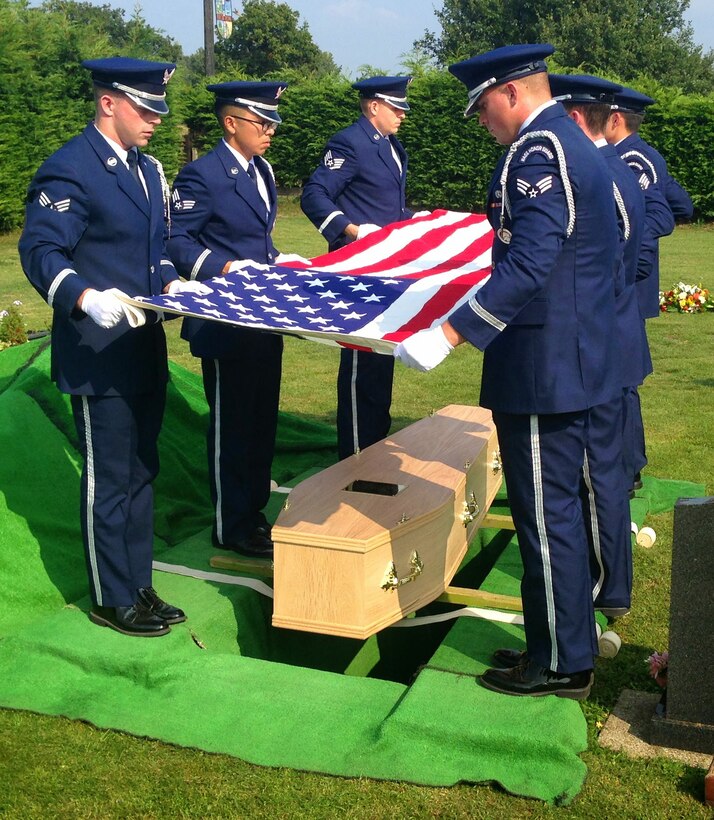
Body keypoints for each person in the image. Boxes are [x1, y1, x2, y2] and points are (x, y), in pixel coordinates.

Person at [395, 45, 623, 699]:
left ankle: (559, 664)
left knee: (545, 518)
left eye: (484, 106)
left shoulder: (538, 151)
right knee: (561, 515)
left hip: (543, 368)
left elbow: (531, 263)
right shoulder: (571, 142)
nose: (480, 120)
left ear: (514, 92)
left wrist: (449, 333)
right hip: (570, 360)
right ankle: (561, 642)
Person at [19, 57, 202, 637]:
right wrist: (82, 297)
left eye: (157, 109)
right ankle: (108, 595)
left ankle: (137, 584)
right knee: (109, 477)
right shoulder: (70, 168)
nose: (154, 120)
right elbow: (42, 250)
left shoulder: (147, 169)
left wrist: (171, 279)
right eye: (144, 108)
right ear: (108, 103)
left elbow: (153, 247)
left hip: (142, 345)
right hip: (97, 350)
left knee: (142, 469)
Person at [167, 81, 303, 559]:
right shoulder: (202, 175)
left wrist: (277, 257)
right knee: (232, 426)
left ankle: (254, 515)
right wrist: (224, 267)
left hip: (261, 316)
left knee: (261, 420)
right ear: (231, 122)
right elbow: (177, 243)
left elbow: (255, 239)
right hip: (223, 320)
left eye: (272, 123)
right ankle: (230, 524)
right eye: (261, 122)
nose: (270, 131)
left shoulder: (260, 169)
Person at [548, 73, 658, 620]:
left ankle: (605, 586)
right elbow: (634, 265)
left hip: (596, 348)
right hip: (614, 338)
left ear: (572, 118)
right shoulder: (616, 169)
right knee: (605, 473)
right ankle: (612, 584)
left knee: (593, 477)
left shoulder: (591, 174)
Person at [301, 76, 414, 460]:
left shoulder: (390, 145)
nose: (402, 115)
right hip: (359, 274)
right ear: (374, 106)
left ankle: (375, 452)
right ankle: (353, 461)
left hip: (386, 272)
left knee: (380, 366)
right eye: (396, 108)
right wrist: (349, 230)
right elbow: (315, 194)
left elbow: (389, 207)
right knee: (359, 370)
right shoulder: (350, 142)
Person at [605, 87, 686, 489]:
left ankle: (629, 466)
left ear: (616, 119)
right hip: (632, 277)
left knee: (623, 377)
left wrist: (629, 245)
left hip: (629, 279)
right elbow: (680, 204)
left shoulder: (632, 158)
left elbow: (657, 215)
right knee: (620, 373)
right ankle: (625, 463)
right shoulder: (642, 155)